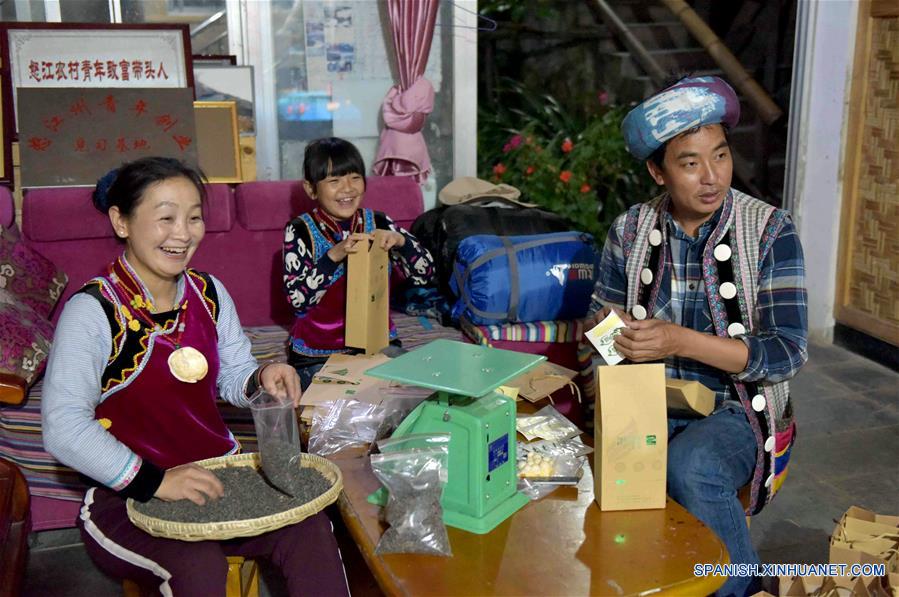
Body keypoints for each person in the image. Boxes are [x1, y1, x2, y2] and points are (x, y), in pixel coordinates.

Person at [41, 157, 349, 596]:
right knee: (199, 565)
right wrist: (158, 480)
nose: (183, 234)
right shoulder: (93, 312)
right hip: (126, 497)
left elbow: (233, 373)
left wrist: (262, 377)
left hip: (216, 477)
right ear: (121, 221)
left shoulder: (209, 292)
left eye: (194, 217)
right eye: (165, 217)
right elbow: (63, 427)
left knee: (311, 530)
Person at [588, 76, 807, 597]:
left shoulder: (772, 230)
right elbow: (600, 326)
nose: (712, 178)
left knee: (692, 465)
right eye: (690, 163)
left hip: (738, 409)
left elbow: (787, 352)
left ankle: (744, 588)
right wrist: (609, 363)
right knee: (584, 471)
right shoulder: (629, 230)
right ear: (657, 171)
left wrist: (678, 341)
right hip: (649, 401)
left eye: (721, 156)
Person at [282, 137, 435, 389]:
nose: (347, 188)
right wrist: (334, 255)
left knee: (419, 391)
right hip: (319, 354)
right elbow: (299, 301)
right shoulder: (299, 230)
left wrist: (400, 242)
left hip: (378, 344)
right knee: (338, 411)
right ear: (311, 189)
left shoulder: (379, 222)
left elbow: (425, 275)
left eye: (354, 177)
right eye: (334, 181)